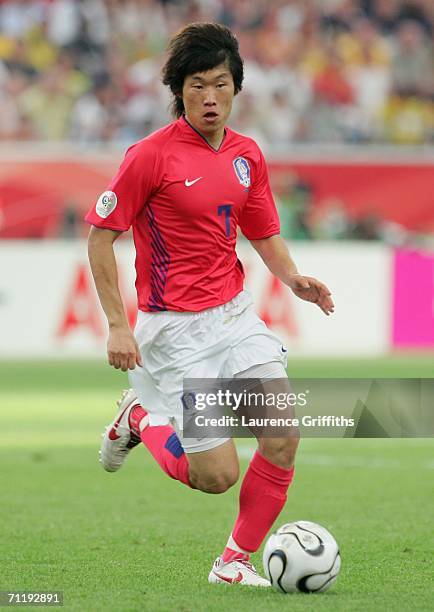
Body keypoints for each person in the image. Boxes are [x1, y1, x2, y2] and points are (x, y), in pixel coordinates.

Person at [86, 22, 334, 587]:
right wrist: (117, 325)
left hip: (235, 319)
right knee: (216, 476)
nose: (210, 97)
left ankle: (233, 563)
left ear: (236, 88)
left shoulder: (248, 154)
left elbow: (262, 226)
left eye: (220, 84)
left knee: (282, 434)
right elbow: (101, 236)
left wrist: (293, 278)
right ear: (180, 91)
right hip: (176, 335)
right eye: (197, 85)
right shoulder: (150, 156)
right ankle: (140, 417)